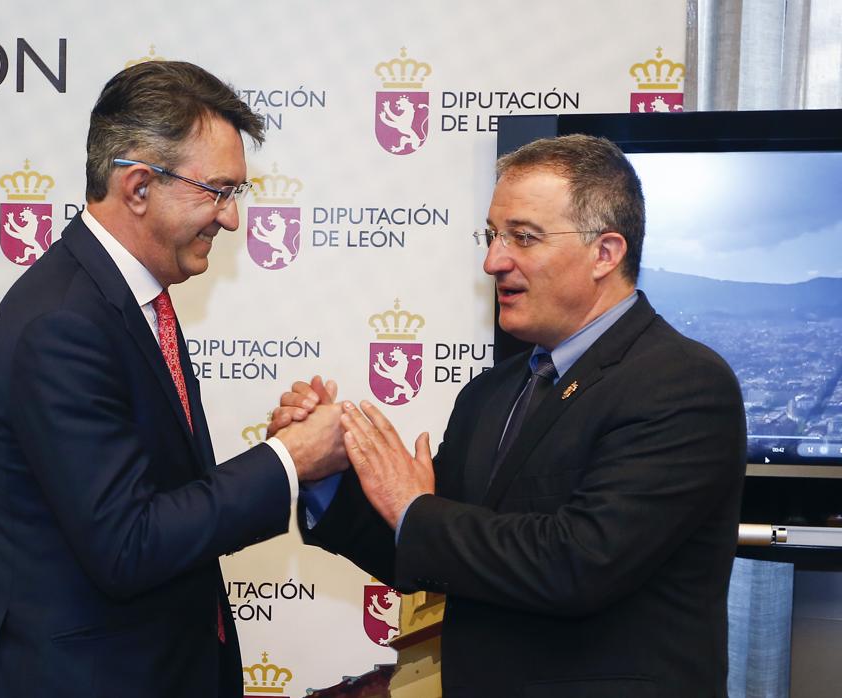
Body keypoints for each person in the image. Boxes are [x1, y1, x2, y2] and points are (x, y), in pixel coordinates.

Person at [274, 135, 746, 697]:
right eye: (493, 236)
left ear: (606, 253)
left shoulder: (682, 383)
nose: (493, 261)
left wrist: (412, 506)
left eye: (523, 237)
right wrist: (325, 475)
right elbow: (428, 548)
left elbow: (579, 563)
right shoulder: (491, 393)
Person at [0, 61, 347, 697]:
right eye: (217, 191)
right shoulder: (65, 325)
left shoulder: (126, 301)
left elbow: (160, 497)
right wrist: (287, 462)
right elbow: (128, 544)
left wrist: (288, 454)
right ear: (139, 186)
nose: (231, 219)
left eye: (237, 194)